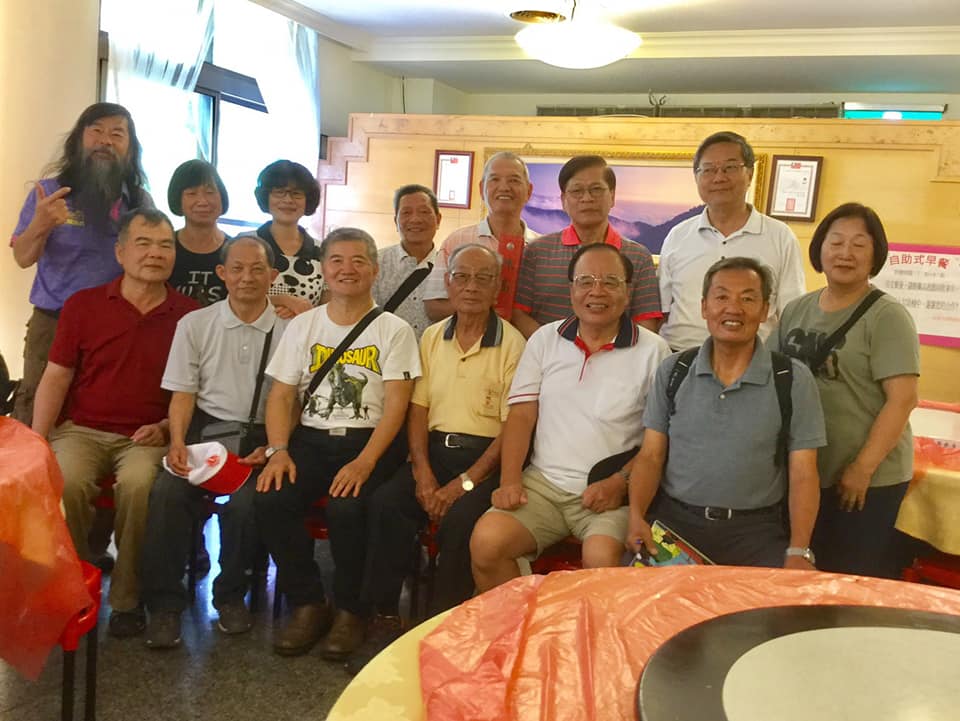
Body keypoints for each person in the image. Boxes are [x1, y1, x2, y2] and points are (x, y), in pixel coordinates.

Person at [355, 244, 526, 668]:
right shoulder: (432, 337)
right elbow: (418, 410)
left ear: (498, 288)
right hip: (433, 453)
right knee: (386, 504)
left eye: (483, 278)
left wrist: (462, 484)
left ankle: (441, 628)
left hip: (484, 461)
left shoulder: (513, 344)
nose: (470, 287)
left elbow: (512, 429)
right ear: (448, 283)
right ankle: (383, 617)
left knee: (462, 520)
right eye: (461, 277)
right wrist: (423, 474)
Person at [255, 227, 420, 660]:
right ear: (324, 270)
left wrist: (366, 462)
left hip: (371, 441)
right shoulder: (303, 326)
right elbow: (282, 395)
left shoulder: (394, 330)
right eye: (337, 261)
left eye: (358, 260)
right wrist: (278, 451)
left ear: (375, 270)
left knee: (348, 507)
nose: (348, 269)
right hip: (310, 439)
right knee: (271, 497)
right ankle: (308, 602)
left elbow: (397, 405)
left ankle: (351, 610)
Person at [31, 208, 197, 637]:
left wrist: (166, 428)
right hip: (81, 430)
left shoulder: (190, 316)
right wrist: (37, 440)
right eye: (144, 243)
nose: (155, 253)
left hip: (147, 436)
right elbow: (56, 376)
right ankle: (70, 589)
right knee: (66, 481)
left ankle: (127, 599)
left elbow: (192, 392)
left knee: (140, 487)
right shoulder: (83, 305)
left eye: (165, 245)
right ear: (120, 252)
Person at [470, 244, 670, 593]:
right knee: (487, 543)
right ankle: (527, 623)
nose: (596, 291)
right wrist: (510, 481)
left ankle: (580, 629)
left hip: (609, 490)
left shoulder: (654, 351)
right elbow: (522, 415)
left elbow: (657, 444)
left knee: (601, 560)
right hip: (542, 486)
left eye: (610, 282)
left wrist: (620, 482)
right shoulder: (545, 339)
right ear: (571, 289)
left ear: (628, 292)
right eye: (585, 281)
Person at [626, 257, 825, 569]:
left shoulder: (791, 378)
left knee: (775, 600)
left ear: (765, 310)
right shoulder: (674, 370)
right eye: (721, 297)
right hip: (675, 527)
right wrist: (636, 516)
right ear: (704, 307)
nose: (733, 308)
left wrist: (799, 550)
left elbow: (803, 473)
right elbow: (651, 456)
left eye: (747, 298)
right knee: (641, 598)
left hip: (756, 533)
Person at [140, 235, 287, 648]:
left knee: (245, 505)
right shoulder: (195, 324)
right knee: (168, 494)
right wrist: (177, 441)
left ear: (272, 275)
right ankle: (165, 606)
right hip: (206, 433)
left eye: (257, 269)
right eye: (237, 268)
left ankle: (231, 597)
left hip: (260, 435)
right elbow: (183, 393)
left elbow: (291, 400)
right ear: (222, 273)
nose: (247, 277)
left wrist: (274, 446)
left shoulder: (290, 330)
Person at [772, 204, 919, 578]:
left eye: (858, 244)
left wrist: (862, 468)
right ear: (820, 248)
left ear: (875, 254)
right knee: (801, 571)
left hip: (865, 479)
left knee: (848, 578)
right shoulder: (797, 310)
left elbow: (903, 399)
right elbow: (770, 376)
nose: (845, 253)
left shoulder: (887, 316)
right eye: (836, 242)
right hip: (806, 473)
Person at [10, 102, 151, 424]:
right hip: (53, 323)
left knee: (97, 414)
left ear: (130, 149)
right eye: (96, 131)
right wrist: (41, 223)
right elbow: (23, 257)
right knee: (35, 414)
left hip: (112, 327)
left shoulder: (138, 201)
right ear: (78, 140)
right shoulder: (49, 192)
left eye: (117, 134)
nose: (105, 141)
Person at [658, 131, 805, 351]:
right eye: (709, 169)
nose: (719, 177)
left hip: (753, 361)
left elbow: (792, 314)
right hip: (681, 357)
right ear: (696, 177)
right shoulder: (678, 236)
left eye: (730, 167)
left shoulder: (780, 236)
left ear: (750, 174)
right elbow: (662, 309)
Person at [511, 155, 661, 338]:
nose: (587, 198)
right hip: (548, 354)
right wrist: (554, 347)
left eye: (596, 189)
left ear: (612, 196)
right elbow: (519, 314)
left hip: (617, 354)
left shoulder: (638, 257)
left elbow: (646, 322)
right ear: (563, 200)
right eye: (577, 191)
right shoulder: (537, 252)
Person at [423, 151, 536, 322]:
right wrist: (481, 308)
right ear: (482, 189)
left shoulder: (541, 248)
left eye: (514, 180)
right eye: (494, 179)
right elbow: (433, 307)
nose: (504, 187)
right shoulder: (456, 241)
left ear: (529, 191)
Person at [254, 159, 325, 317]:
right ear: (266, 196)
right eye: (279, 192)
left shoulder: (322, 252)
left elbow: (328, 308)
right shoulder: (245, 244)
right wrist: (282, 300)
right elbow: (231, 297)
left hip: (306, 331)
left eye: (296, 193)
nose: (288, 200)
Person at [371, 184, 440, 339]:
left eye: (424, 212)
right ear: (396, 221)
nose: (415, 219)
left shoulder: (450, 266)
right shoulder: (374, 264)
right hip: (386, 352)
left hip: (434, 353)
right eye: (406, 212)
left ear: (438, 219)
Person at [166, 159, 231, 305]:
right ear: (177, 199)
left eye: (210, 192)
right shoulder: (165, 247)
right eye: (192, 193)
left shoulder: (236, 250)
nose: (202, 201)